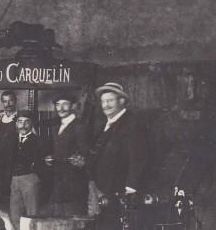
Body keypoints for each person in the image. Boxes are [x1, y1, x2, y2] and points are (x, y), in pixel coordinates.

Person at [87, 82, 149, 217]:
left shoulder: (132, 123)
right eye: (103, 101)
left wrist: (130, 189)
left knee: (116, 227)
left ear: (122, 101)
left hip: (120, 194)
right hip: (102, 192)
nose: (106, 105)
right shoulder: (105, 125)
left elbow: (139, 157)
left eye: (110, 100)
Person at [44, 92, 89, 216]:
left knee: (73, 217)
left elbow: (85, 154)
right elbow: (54, 150)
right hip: (58, 183)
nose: (61, 108)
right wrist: (49, 158)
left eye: (65, 104)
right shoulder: (55, 126)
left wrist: (80, 159)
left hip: (74, 184)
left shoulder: (80, 126)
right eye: (58, 105)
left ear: (73, 106)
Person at [10, 111, 44, 230]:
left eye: (26, 122)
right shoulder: (12, 140)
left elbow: (43, 162)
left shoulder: (38, 141)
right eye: (20, 121)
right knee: (15, 216)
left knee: (32, 216)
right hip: (14, 180)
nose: (22, 125)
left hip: (30, 179)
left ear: (31, 124)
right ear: (16, 124)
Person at [0, 90, 18, 197]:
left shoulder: (21, 117)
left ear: (15, 101)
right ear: (2, 103)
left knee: (13, 187)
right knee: (1, 186)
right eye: (5, 101)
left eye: (10, 100)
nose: (8, 104)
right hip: (0, 158)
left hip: (15, 158)